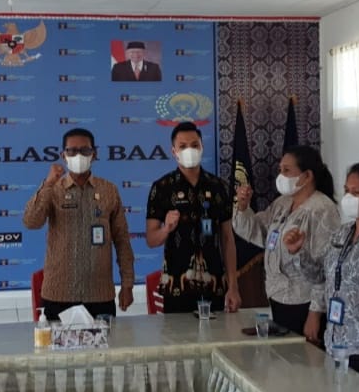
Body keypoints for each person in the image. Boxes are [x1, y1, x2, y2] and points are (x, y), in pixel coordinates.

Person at [289, 162, 359, 378]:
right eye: (347, 191)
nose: (348, 198)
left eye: (357, 193)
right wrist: (300, 253)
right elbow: (319, 276)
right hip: (335, 343)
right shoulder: (342, 233)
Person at [23, 128, 135, 320]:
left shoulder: (109, 190)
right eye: (72, 151)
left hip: (100, 294)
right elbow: (31, 221)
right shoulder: (53, 189)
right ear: (63, 156)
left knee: (105, 341)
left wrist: (127, 284)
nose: (78, 155)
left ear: (94, 154)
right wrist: (48, 184)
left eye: (84, 150)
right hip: (59, 294)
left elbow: (122, 240)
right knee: (56, 341)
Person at [234, 145, 340, 339]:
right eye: (280, 170)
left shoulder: (322, 209)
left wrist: (315, 313)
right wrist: (243, 208)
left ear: (307, 176)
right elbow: (258, 232)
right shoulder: (283, 202)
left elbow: (326, 267)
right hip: (278, 296)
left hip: (305, 301)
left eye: (287, 170)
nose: (281, 176)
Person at [146, 122, 241, 313]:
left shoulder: (219, 186)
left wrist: (233, 286)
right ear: (174, 151)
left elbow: (227, 238)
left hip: (214, 285)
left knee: (217, 333)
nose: (189, 150)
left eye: (194, 145)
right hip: (177, 286)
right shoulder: (162, 187)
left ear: (202, 147)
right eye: (183, 146)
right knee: (178, 333)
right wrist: (166, 229)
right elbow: (151, 240)